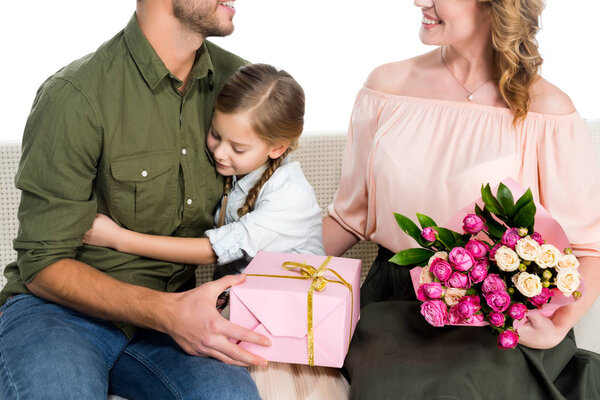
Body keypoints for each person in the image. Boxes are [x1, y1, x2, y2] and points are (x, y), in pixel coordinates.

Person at [322, 0, 600, 398]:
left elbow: (588, 247)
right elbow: (350, 217)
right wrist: (258, 273)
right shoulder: (386, 88)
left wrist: (556, 326)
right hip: (397, 306)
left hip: (501, 314)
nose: (419, 1)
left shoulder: (548, 111)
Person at [0, 1, 273, 398]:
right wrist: (168, 312)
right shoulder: (75, 96)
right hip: (58, 314)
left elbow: (272, 211)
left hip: (169, 319)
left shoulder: (240, 88)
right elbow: (42, 263)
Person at [83, 63, 350, 400]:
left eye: (238, 148)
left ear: (277, 148)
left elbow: (214, 250)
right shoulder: (237, 175)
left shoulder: (289, 194)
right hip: (243, 315)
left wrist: (119, 238)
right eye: (215, 135)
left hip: (284, 335)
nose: (220, 152)